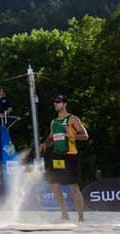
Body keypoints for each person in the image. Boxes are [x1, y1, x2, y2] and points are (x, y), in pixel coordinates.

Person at [39, 94, 89, 222]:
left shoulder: (73, 119)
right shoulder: (54, 122)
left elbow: (85, 136)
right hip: (57, 155)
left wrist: (72, 136)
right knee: (54, 184)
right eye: (54, 101)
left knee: (73, 187)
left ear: (65, 104)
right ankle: (64, 214)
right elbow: (51, 139)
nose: (55, 103)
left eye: (58, 101)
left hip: (70, 155)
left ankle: (81, 217)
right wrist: (45, 144)